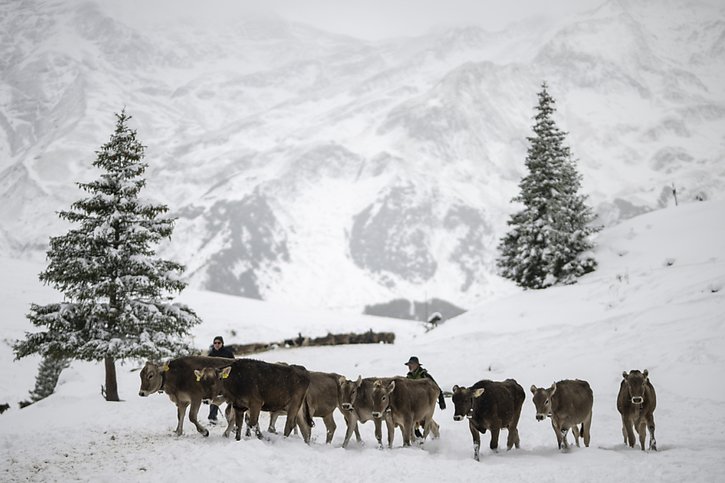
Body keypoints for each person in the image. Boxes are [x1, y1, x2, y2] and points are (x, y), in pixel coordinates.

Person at [405, 355, 446, 438]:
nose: (409, 366)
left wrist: (441, 400)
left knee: (425, 419)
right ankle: (419, 439)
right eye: (409, 364)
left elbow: (436, 387)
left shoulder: (425, 376)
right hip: (413, 403)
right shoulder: (408, 378)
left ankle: (436, 436)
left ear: (417, 365)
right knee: (413, 420)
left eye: (411, 364)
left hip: (425, 402)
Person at [207, 336, 235, 424]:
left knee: (231, 397)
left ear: (222, 343)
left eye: (219, 343)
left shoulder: (228, 353)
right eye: (215, 343)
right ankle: (212, 416)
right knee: (214, 396)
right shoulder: (211, 354)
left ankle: (231, 415)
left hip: (227, 379)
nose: (217, 344)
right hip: (215, 380)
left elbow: (233, 364)